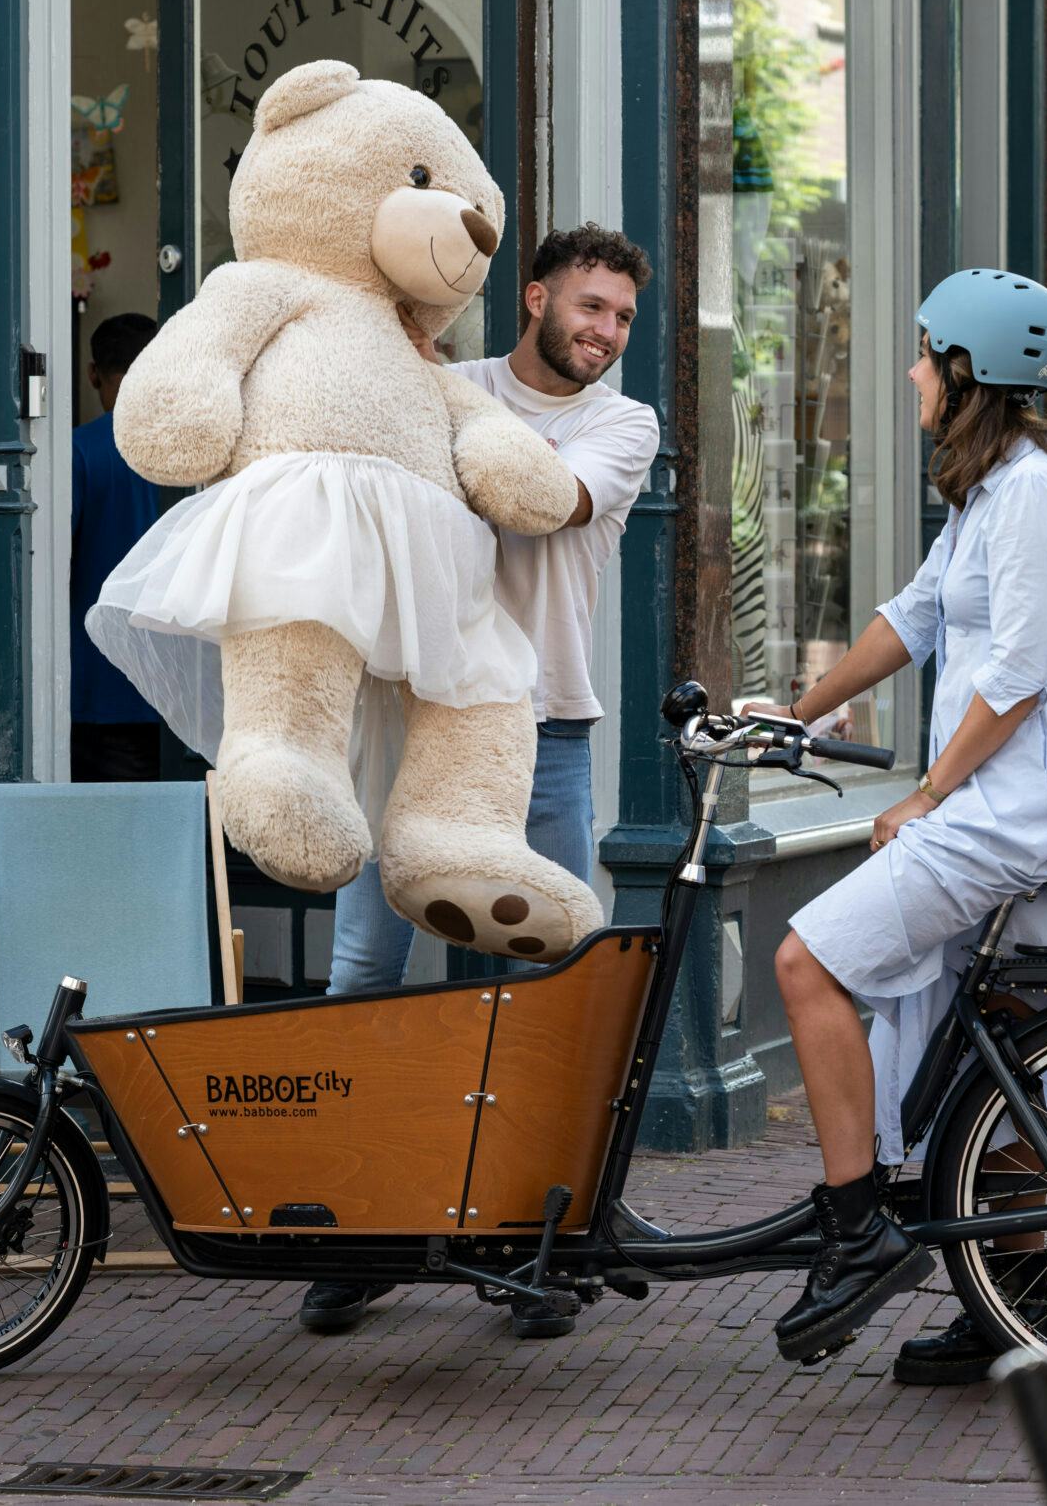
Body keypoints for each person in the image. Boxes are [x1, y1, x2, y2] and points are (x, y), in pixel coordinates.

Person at [758, 270, 1047, 1379]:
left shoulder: (1032, 495)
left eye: (926, 355)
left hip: (1022, 800)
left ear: (968, 371)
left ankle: (855, 1231)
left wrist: (925, 796)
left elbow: (1019, 676)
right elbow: (916, 615)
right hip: (1001, 798)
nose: (913, 373)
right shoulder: (985, 491)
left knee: (804, 964)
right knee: (1008, 1061)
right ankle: (1005, 1318)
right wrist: (796, 710)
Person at [300, 223, 662, 1337]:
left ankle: (534, 1239)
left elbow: (537, 497)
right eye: (590, 307)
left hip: (543, 740)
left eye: (621, 319)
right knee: (365, 970)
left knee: (540, 992)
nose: (604, 332)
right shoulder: (448, 381)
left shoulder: (620, 423)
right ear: (538, 298)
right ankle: (350, 1224)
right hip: (407, 729)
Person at [69, 313, 168, 782]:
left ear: (93, 374)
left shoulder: (79, 452)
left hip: (98, 683)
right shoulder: (197, 451)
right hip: (179, 679)